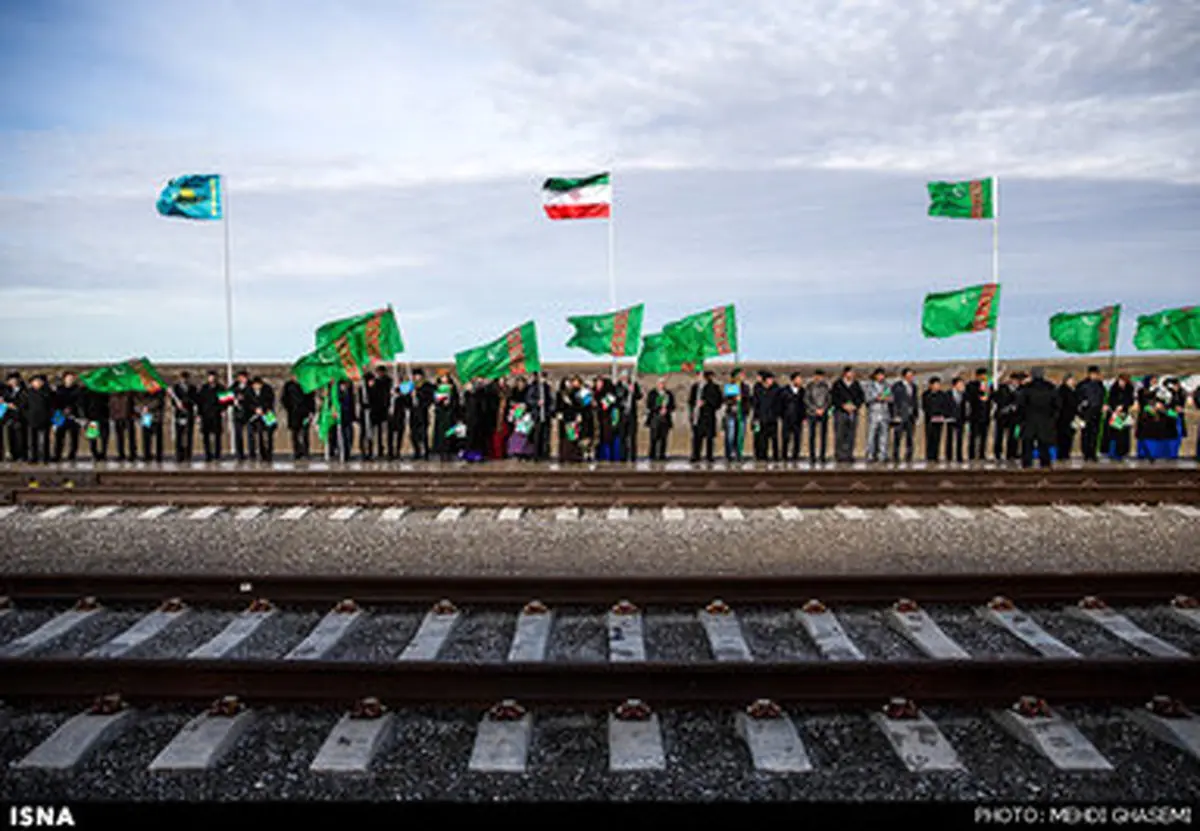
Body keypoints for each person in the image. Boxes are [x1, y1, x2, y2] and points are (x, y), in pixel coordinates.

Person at [1017, 367, 1060, 468]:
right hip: (1045, 421)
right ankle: (1045, 466)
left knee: (1027, 446)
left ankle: (1027, 466)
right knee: (1044, 446)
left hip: (1029, 421)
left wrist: (1021, 419)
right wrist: (1052, 418)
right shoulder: (1050, 387)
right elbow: (1057, 405)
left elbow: (1020, 405)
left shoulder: (1026, 388)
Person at [831, 366, 863, 463]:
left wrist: (855, 406)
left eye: (853, 373)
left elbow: (861, 397)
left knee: (851, 434)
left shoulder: (856, 384)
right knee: (840, 434)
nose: (852, 375)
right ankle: (839, 454)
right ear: (845, 374)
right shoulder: (837, 384)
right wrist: (843, 405)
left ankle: (849, 454)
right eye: (850, 373)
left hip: (853, 412)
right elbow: (833, 397)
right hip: (840, 412)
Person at [688, 370, 721, 463]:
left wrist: (706, 402)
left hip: (708, 415)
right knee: (696, 437)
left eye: (700, 375)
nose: (698, 377)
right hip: (697, 415)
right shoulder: (695, 387)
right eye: (697, 375)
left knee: (709, 437)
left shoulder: (714, 387)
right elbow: (690, 401)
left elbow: (717, 402)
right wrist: (693, 408)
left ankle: (709, 456)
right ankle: (696, 455)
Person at [1075, 366, 1105, 462]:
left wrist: (1102, 406)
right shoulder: (1082, 385)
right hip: (1086, 413)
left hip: (1096, 412)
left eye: (1097, 374)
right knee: (1086, 434)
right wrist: (1082, 407)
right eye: (1094, 374)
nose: (1095, 376)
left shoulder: (1100, 385)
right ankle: (1086, 453)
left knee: (1094, 434)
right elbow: (1078, 398)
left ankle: (1093, 453)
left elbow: (1102, 396)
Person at [52, 371, 84, 462]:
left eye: (72, 378)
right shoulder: (59, 389)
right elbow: (55, 403)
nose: (70, 380)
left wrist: (72, 410)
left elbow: (80, 403)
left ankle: (72, 455)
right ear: (64, 379)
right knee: (59, 436)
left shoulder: (78, 389)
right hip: (60, 415)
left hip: (74, 416)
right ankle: (57, 455)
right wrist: (61, 410)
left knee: (74, 437)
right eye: (68, 378)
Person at [195, 372, 226, 462]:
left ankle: (217, 455)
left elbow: (227, 401)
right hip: (205, 415)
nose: (212, 379)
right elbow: (199, 402)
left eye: (213, 377)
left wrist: (223, 409)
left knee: (217, 436)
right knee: (206, 436)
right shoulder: (203, 388)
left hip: (216, 414)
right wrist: (199, 414)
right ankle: (208, 455)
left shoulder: (221, 388)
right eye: (210, 377)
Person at [281, 374, 314, 460]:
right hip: (293, 413)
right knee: (294, 434)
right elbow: (284, 399)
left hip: (305, 412)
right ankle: (297, 452)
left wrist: (311, 411)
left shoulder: (307, 384)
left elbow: (311, 399)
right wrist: (289, 407)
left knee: (305, 433)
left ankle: (306, 452)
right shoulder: (288, 385)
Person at [1103, 374, 1136, 459]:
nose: (1122, 383)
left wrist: (1123, 406)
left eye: (1124, 381)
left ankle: (1122, 452)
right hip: (1114, 413)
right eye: (1121, 381)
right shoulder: (1114, 389)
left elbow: (1130, 401)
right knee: (1113, 434)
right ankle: (1112, 452)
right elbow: (1110, 400)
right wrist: (1115, 407)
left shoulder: (1129, 389)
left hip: (1124, 414)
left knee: (1124, 434)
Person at [890, 368, 918, 464]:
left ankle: (909, 456)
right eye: (909, 375)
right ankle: (895, 455)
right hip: (900, 415)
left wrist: (916, 413)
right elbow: (892, 401)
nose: (911, 377)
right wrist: (894, 415)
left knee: (910, 437)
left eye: (912, 375)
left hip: (911, 416)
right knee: (898, 436)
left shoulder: (914, 386)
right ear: (904, 376)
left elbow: (915, 400)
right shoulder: (896, 386)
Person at [862, 367, 891, 463]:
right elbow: (867, 398)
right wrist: (877, 398)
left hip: (884, 413)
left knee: (884, 435)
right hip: (873, 412)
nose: (881, 377)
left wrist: (887, 398)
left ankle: (882, 455)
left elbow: (891, 397)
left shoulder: (887, 386)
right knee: (871, 435)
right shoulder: (869, 386)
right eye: (879, 375)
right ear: (875, 376)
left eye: (882, 375)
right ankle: (870, 455)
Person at [921, 376, 953, 462]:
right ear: (931, 385)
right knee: (929, 438)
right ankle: (929, 456)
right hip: (929, 419)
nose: (937, 386)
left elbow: (945, 406)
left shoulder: (942, 394)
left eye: (938, 384)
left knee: (937, 438)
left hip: (939, 419)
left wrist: (942, 415)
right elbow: (925, 407)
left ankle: (936, 456)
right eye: (935, 384)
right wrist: (932, 415)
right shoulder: (926, 394)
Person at [721, 369, 751, 462]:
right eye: (740, 375)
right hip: (731, 414)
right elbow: (725, 399)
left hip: (741, 413)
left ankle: (739, 454)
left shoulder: (745, 387)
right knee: (730, 434)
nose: (742, 376)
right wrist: (733, 400)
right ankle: (729, 454)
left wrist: (742, 400)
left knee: (740, 435)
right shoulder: (730, 386)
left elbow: (748, 400)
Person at [752, 372, 781, 461]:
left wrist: (776, 413)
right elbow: (755, 404)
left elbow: (778, 403)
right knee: (761, 438)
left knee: (774, 438)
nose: (771, 381)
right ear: (765, 381)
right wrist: (756, 418)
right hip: (760, 418)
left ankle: (776, 456)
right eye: (769, 379)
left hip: (772, 418)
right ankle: (762, 456)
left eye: (772, 379)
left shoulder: (775, 390)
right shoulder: (758, 390)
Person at [992, 373, 1021, 461]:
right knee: (999, 435)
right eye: (1014, 380)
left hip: (1015, 418)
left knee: (1014, 435)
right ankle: (998, 453)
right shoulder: (1002, 388)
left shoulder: (1020, 390)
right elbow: (996, 398)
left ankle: (1012, 453)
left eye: (1017, 381)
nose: (1016, 382)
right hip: (1002, 416)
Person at [365, 365, 392, 461]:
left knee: (382, 432)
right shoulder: (373, 382)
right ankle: (370, 451)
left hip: (383, 410)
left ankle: (382, 450)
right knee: (371, 432)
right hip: (373, 410)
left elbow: (386, 391)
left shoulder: (386, 381)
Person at [431, 371, 459, 462]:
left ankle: (450, 449)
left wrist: (450, 402)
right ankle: (440, 450)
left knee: (449, 432)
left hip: (450, 414)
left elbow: (456, 400)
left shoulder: (452, 387)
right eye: (442, 377)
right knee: (440, 433)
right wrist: (439, 400)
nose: (444, 379)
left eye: (446, 377)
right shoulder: (437, 387)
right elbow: (435, 400)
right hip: (441, 413)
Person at [964, 368, 991, 461]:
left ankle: (982, 454)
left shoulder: (989, 386)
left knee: (984, 436)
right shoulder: (971, 385)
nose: (984, 377)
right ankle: (971, 454)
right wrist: (979, 392)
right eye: (982, 375)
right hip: (975, 415)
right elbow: (969, 397)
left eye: (986, 375)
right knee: (973, 436)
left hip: (985, 415)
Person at [645, 377, 675, 461]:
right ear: (657, 384)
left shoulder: (668, 394)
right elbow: (649, 405)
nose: (662, 385)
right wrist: (658, 409)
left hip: (665, 419)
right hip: (655, 418)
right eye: (660, 383)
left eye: (663, 383)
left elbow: (673, 405)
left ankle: (662, 455)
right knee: (653, 438)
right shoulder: (652, 393)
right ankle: (652, 455)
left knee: (664, 438)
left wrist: (667, 409)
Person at [171, 372, 197, 463]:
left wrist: (186, 402)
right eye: (182, 378)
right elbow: (172, 401)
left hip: (189, 413)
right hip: (179, 414)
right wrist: (177, 404)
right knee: (179, 435)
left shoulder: (193, 388)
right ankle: (179, 455)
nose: (184, 380)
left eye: (186, 378)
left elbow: (195, 399)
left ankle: (188, 455)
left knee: (189, 435)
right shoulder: (175, 388)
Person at [616, 370, 641, 462]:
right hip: (622, 415)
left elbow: (639, 396)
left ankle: (633, 456)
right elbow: (616, 398)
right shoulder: (618, 386)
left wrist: (633, 391)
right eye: (623, 376)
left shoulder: (634, 384)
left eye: (626, 376)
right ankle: (623, 456)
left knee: (632, 436)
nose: (624, 378)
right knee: (622, 436)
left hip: (632, 415)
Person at [25, 375, 52, 463]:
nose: (38, 383)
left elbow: (52, 406)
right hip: (32, 419)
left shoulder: (48, 392)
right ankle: (33, 457)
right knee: (32, 440)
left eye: (40, 381)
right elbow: (24, 406)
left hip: (45, 419)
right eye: (35, 381)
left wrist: (50, 416)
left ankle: (45, 457)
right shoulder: (28, 393)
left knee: (45, 440)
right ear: (32, 383)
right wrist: (27, 415)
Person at [408, 369, 433, 460]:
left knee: (423, 433)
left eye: (418, 375)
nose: (416, 377)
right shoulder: (411, 386)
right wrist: (410, 396)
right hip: (413, 413)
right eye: (415, 375)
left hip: (423, 412)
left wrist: (418, 393)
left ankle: (426, 452)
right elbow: (407, 401)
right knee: (413, 434)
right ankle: (417, 451)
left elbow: (430, 399)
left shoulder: (427, 386)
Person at [780, 372, 805, 461]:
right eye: (798, 379)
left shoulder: (802, 391)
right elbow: (780, 404)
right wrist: (782, 415)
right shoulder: (785, 391)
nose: (800, 381)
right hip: (787, 418)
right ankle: (784, 456)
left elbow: (803, 404)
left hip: (798, 418)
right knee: (786, 438)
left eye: (800, 379)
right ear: (793, 380)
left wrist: (803, 416)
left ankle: (795, 456)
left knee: (797, 438)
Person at [138, 383, 166, 462]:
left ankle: (158, 456)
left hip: (156, 415)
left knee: (158, 437)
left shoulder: (159, 388)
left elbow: (159, 400)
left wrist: (147, 407)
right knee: (146, 436)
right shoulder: (141, 388)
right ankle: (147, 455)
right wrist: (141, 408)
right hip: (146, 415)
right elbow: (138, 399)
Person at [83, 382, 109, 461]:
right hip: (92, 417)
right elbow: (84, 404)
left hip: (104, 417)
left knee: (104, 436)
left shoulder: (105, 391)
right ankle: (94, 454)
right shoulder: (87, 392)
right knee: (92, 437)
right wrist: (86, 416)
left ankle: (103, 453)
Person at [109, 388, 137, 461]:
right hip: (118, 416)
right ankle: (121, 454)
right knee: (120, 436)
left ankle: (132, 454)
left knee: (130, 436)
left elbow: (134, 402)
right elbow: (111, 404)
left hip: (128, 416)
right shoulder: (114, 393)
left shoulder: (129, 392)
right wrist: (112, 415)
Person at [1055, 373, 1078, 461]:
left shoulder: (1072, 390)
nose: (1073, 382)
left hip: (1069, 418)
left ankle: (1065, 454)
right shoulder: (1062, 391)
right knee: (1063, 438)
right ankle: (1062, 455)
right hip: (1063, 418)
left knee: (1068, 438)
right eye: (1071, 380)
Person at [230, 370, 252, 461]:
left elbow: (254, 398)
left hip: (249, 413)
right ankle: (240, 454)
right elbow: (225, 397)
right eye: (240, 377)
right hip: (237, 413)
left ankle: (252, 453)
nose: (242, 379)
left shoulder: (251, 386)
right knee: (238, 434)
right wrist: (234, 400)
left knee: (251, 434)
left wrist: (245, 399)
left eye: (244, 377)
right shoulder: (234, 387)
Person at [945, 376, 967, 463]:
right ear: (955, 385)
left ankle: (959, 456)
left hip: (961, 418)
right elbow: (945, 406)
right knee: (949, 437)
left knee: (960, 438)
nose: (962, 386)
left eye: (962, 384)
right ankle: (949, 456)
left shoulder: (964, 394)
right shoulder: (948, 394)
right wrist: (947, 416)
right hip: (950, 418)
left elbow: (966, 407)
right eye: (960, 384)